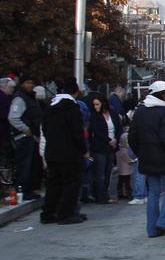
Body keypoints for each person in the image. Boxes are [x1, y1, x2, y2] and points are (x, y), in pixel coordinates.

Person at [130, 80, 165, 238]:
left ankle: (152, 229)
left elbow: (132, 137)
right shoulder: (164, 112)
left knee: (152, 193)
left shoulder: (140, 112)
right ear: (161, 95)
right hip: (164, 158)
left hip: (147, 158)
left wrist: (141, 153)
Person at [40, 78, 87, 225]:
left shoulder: (50, 108)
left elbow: (45, 130)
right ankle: (66, 214)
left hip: (52, 152)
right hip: (70, 154)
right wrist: (83, 149)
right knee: (71, 184)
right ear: (76, 93)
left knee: (54, 184)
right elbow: (77, 133)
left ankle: (48, 213)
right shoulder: (73, 109)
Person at [8, 76, 43, 200]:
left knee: (32, 165)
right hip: (23, 137)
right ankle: (22, 189)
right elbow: (13, 117)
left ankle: (29, 189)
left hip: (32, 136)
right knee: (24, 165)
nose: (31, 85)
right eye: (28, 82)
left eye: (32, 82)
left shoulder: (30, 98)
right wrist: (25, 129)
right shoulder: (20, 98)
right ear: (22, 84)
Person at [88, 93, 121, 204]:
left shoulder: (113, 114)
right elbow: (96, 131)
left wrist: (115, 139)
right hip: (100, 147)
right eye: (94, 105)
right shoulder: (95, 116)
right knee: (100, 172)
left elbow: (118, 127)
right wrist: (109, 140)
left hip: (112, 146)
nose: (96, 107)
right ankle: (100, 195)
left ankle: (105, 193)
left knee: (108, 171)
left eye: (97, 104)